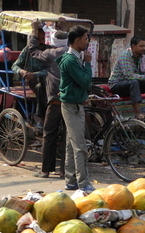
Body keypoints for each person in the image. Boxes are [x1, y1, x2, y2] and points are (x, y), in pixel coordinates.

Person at [56, 25, 95, 193]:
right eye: (86, 38)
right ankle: (83, 182)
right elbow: (86, 82)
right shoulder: (71, 60)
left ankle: (70, 180)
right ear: (78, 40)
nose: (88, 42)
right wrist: (88, 64)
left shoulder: (73, 58)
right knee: (80, 146)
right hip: (72, 107)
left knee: (72, 145)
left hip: (74, 104)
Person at [29, 24, 68, 178]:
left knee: (49, 133)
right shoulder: (74, 53)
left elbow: (33, 51)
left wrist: (33, 33)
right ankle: (64, 170)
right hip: (70, 100)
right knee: (67, 136)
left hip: (55, 101)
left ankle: (45, 170)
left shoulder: (51, 53)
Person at [108, 36, 145, 119]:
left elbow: (144, 73)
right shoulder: (125, 56)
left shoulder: (142, 56)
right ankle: (137, 114)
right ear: (133, 46)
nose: (144, 48)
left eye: (144, 46)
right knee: (134, 82)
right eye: (141, 46)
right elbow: (129, 76)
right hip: (117, 85)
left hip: (131, 84)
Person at [11, 28, 48, 131]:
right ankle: (40, 117)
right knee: (40, 87)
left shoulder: (48, 50)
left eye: (43, 39)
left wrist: (35, 74)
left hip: (48, 79)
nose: (41, 41)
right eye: (38, 39)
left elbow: (51, 70)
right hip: (34, 81)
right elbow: (15, 66)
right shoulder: (27, 50)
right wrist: (21, 71)